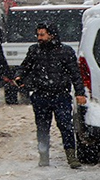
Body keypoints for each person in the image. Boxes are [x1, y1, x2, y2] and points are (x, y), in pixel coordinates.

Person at [15, 22, 87, 168]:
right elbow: (25, 66)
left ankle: (71, 157)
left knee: (66, 126)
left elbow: (75, 74)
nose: (39, 38)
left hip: (61, 96)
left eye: (42, 34)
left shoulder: (65, 51)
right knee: (42, 128)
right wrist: (19, 76)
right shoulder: (34, 50)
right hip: (40, 96)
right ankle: (43, 156)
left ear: (51, 35)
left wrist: (80, 93)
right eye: (38, 35)